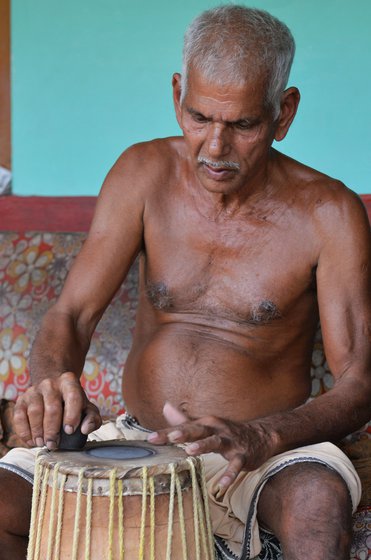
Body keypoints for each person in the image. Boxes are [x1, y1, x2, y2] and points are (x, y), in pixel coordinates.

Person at [0, 5, 370, 560]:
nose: (214, 149)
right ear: (178, 95)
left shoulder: (329, 213)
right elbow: (70, 316)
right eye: (199, 117)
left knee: (317, 508)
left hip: (265, 453)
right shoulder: (142, 174)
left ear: (284, 112)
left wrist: (264, 435)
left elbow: (359, 381)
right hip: (132, 438)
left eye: (243, 125)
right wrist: (53, 383)